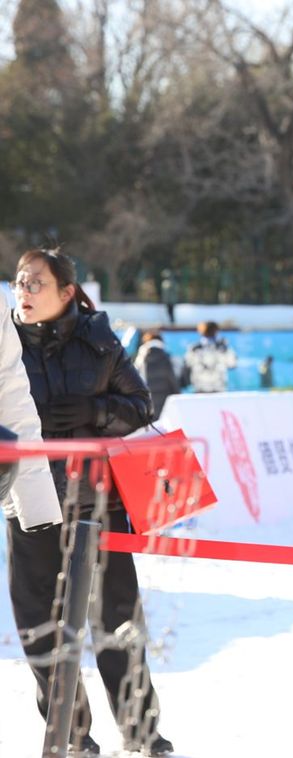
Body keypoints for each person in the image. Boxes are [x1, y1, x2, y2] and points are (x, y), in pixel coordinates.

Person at [9, 248, 173, 756]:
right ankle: (72, 735)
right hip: (30, 503)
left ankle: (142, 732)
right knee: (40, 628)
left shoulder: (98, 340)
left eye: (36, 282)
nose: (23, 291)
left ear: (66, 292)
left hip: (97, 504)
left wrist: (94, 411)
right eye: (19, 281)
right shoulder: (4, 341)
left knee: (117, 622)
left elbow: (141, 405)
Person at [134, 330, 179, 417]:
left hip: (148, 399)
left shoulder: (141, 358)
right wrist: (177, 394)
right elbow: (173, 379)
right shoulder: (166, 356)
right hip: (165, 399)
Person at [183, 320, 237, 393]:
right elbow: (187, 364)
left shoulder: (223, 348)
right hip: (200, 388)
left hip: (218, 388)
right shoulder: (195, 348)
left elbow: (232, 364)